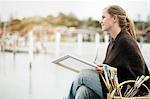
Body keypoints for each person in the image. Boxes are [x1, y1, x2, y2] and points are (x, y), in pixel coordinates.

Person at [65, 5, 150, 99]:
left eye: (103, 17)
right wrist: (103, 68)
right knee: (83, 91)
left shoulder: (125, 41)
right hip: (112, 85)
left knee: (83, 75)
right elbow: (115, 67)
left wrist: (109, 69)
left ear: (114, 18)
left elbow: (134, 74)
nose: (100, 21)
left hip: (126, 90)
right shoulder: (113, 42)